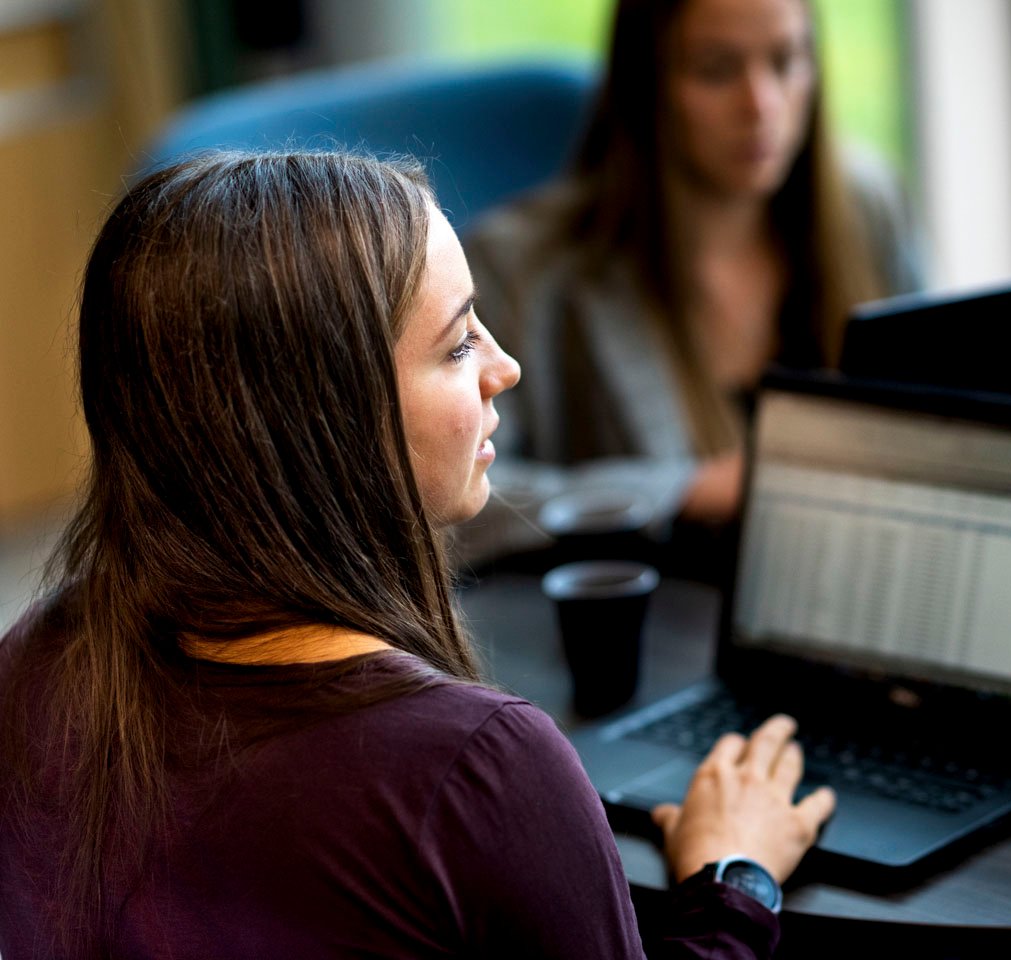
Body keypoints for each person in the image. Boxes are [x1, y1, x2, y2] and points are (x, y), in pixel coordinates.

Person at [0, 151, 835, 959]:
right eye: (457, 344)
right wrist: (735, 880)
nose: (503, 368)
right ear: (325, 419)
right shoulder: (479, 773)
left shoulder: (35, 657)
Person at [456, 0, 923, 571]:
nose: (762, 105)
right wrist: (685, 491)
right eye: (716, 70)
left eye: (786, 61)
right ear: (646, 83)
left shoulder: (867, 206)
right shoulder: (521, 265)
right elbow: (458, 505)